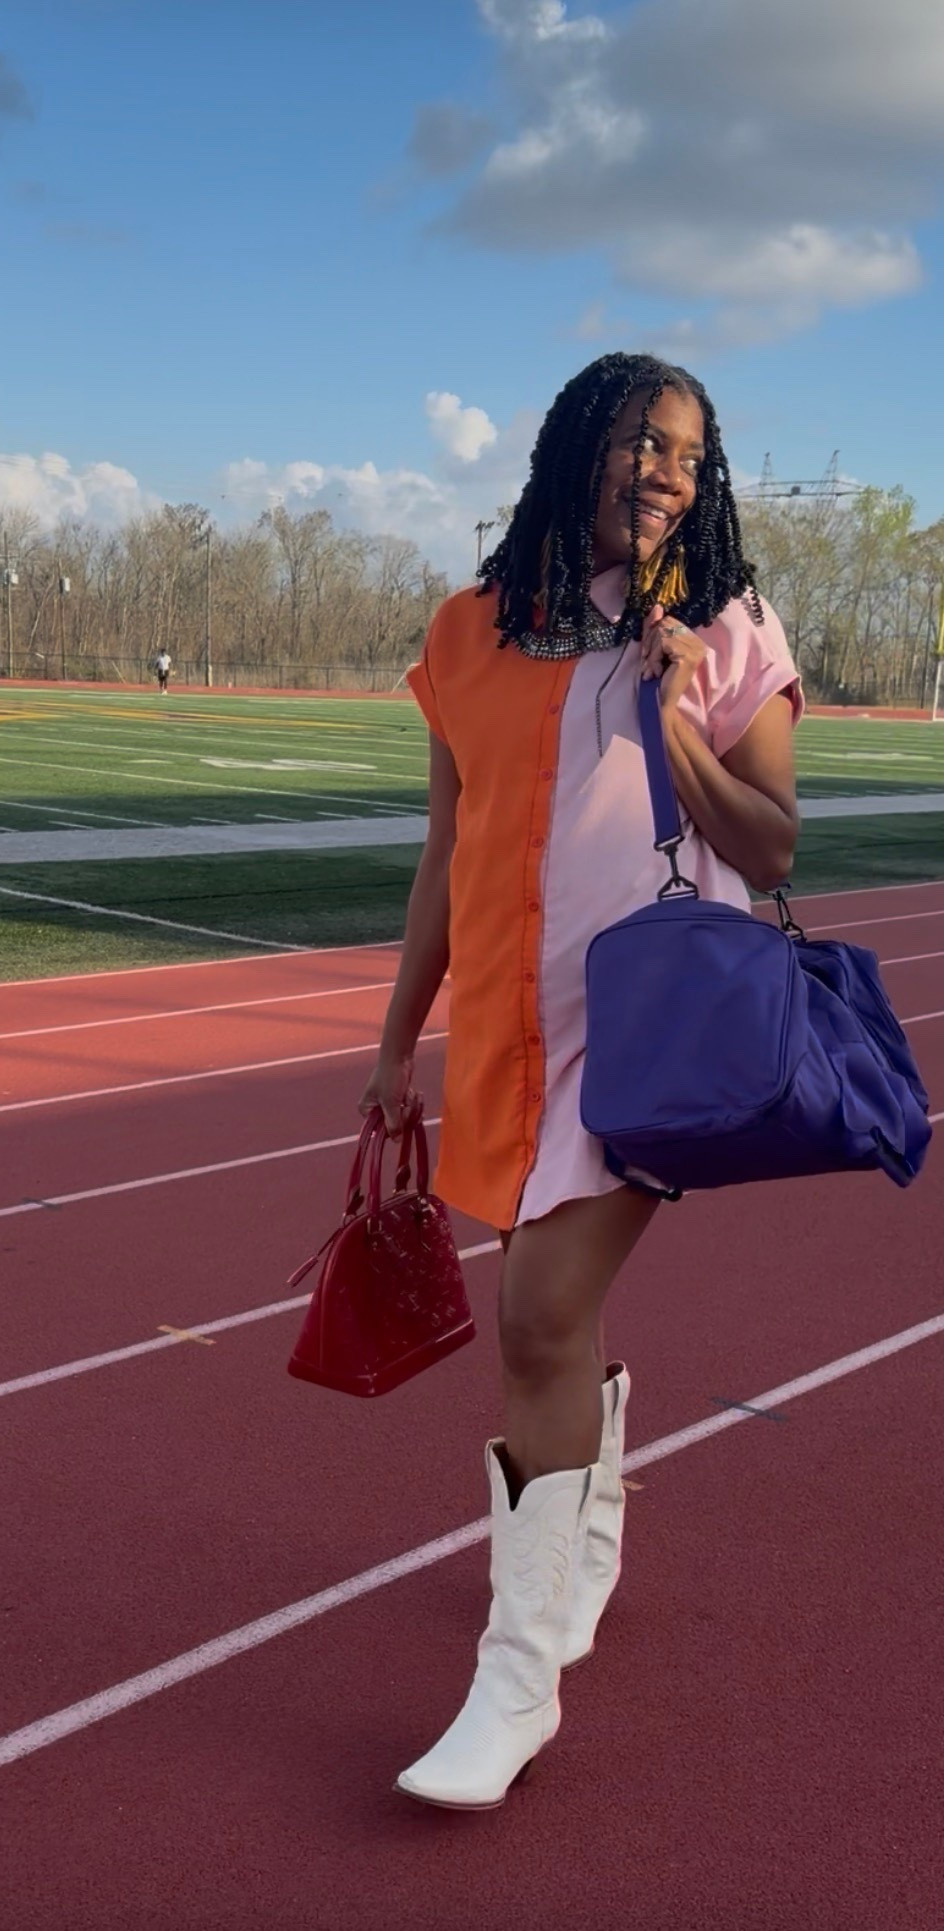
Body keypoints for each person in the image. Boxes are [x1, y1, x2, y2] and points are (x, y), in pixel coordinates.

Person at [360, 351, 802, 1810]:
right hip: (505, 1030)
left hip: (652, 1033)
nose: (666, 471)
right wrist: (393, 1042)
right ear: (573, 451)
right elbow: (443, 854)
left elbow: (773, 848)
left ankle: (516, 1683)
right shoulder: (468, 632)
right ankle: (586, 1535)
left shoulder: (726, 628)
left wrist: (679, 711)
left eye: (687, 452)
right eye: (639, 441)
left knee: (537, 1316)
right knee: (563, 1327)